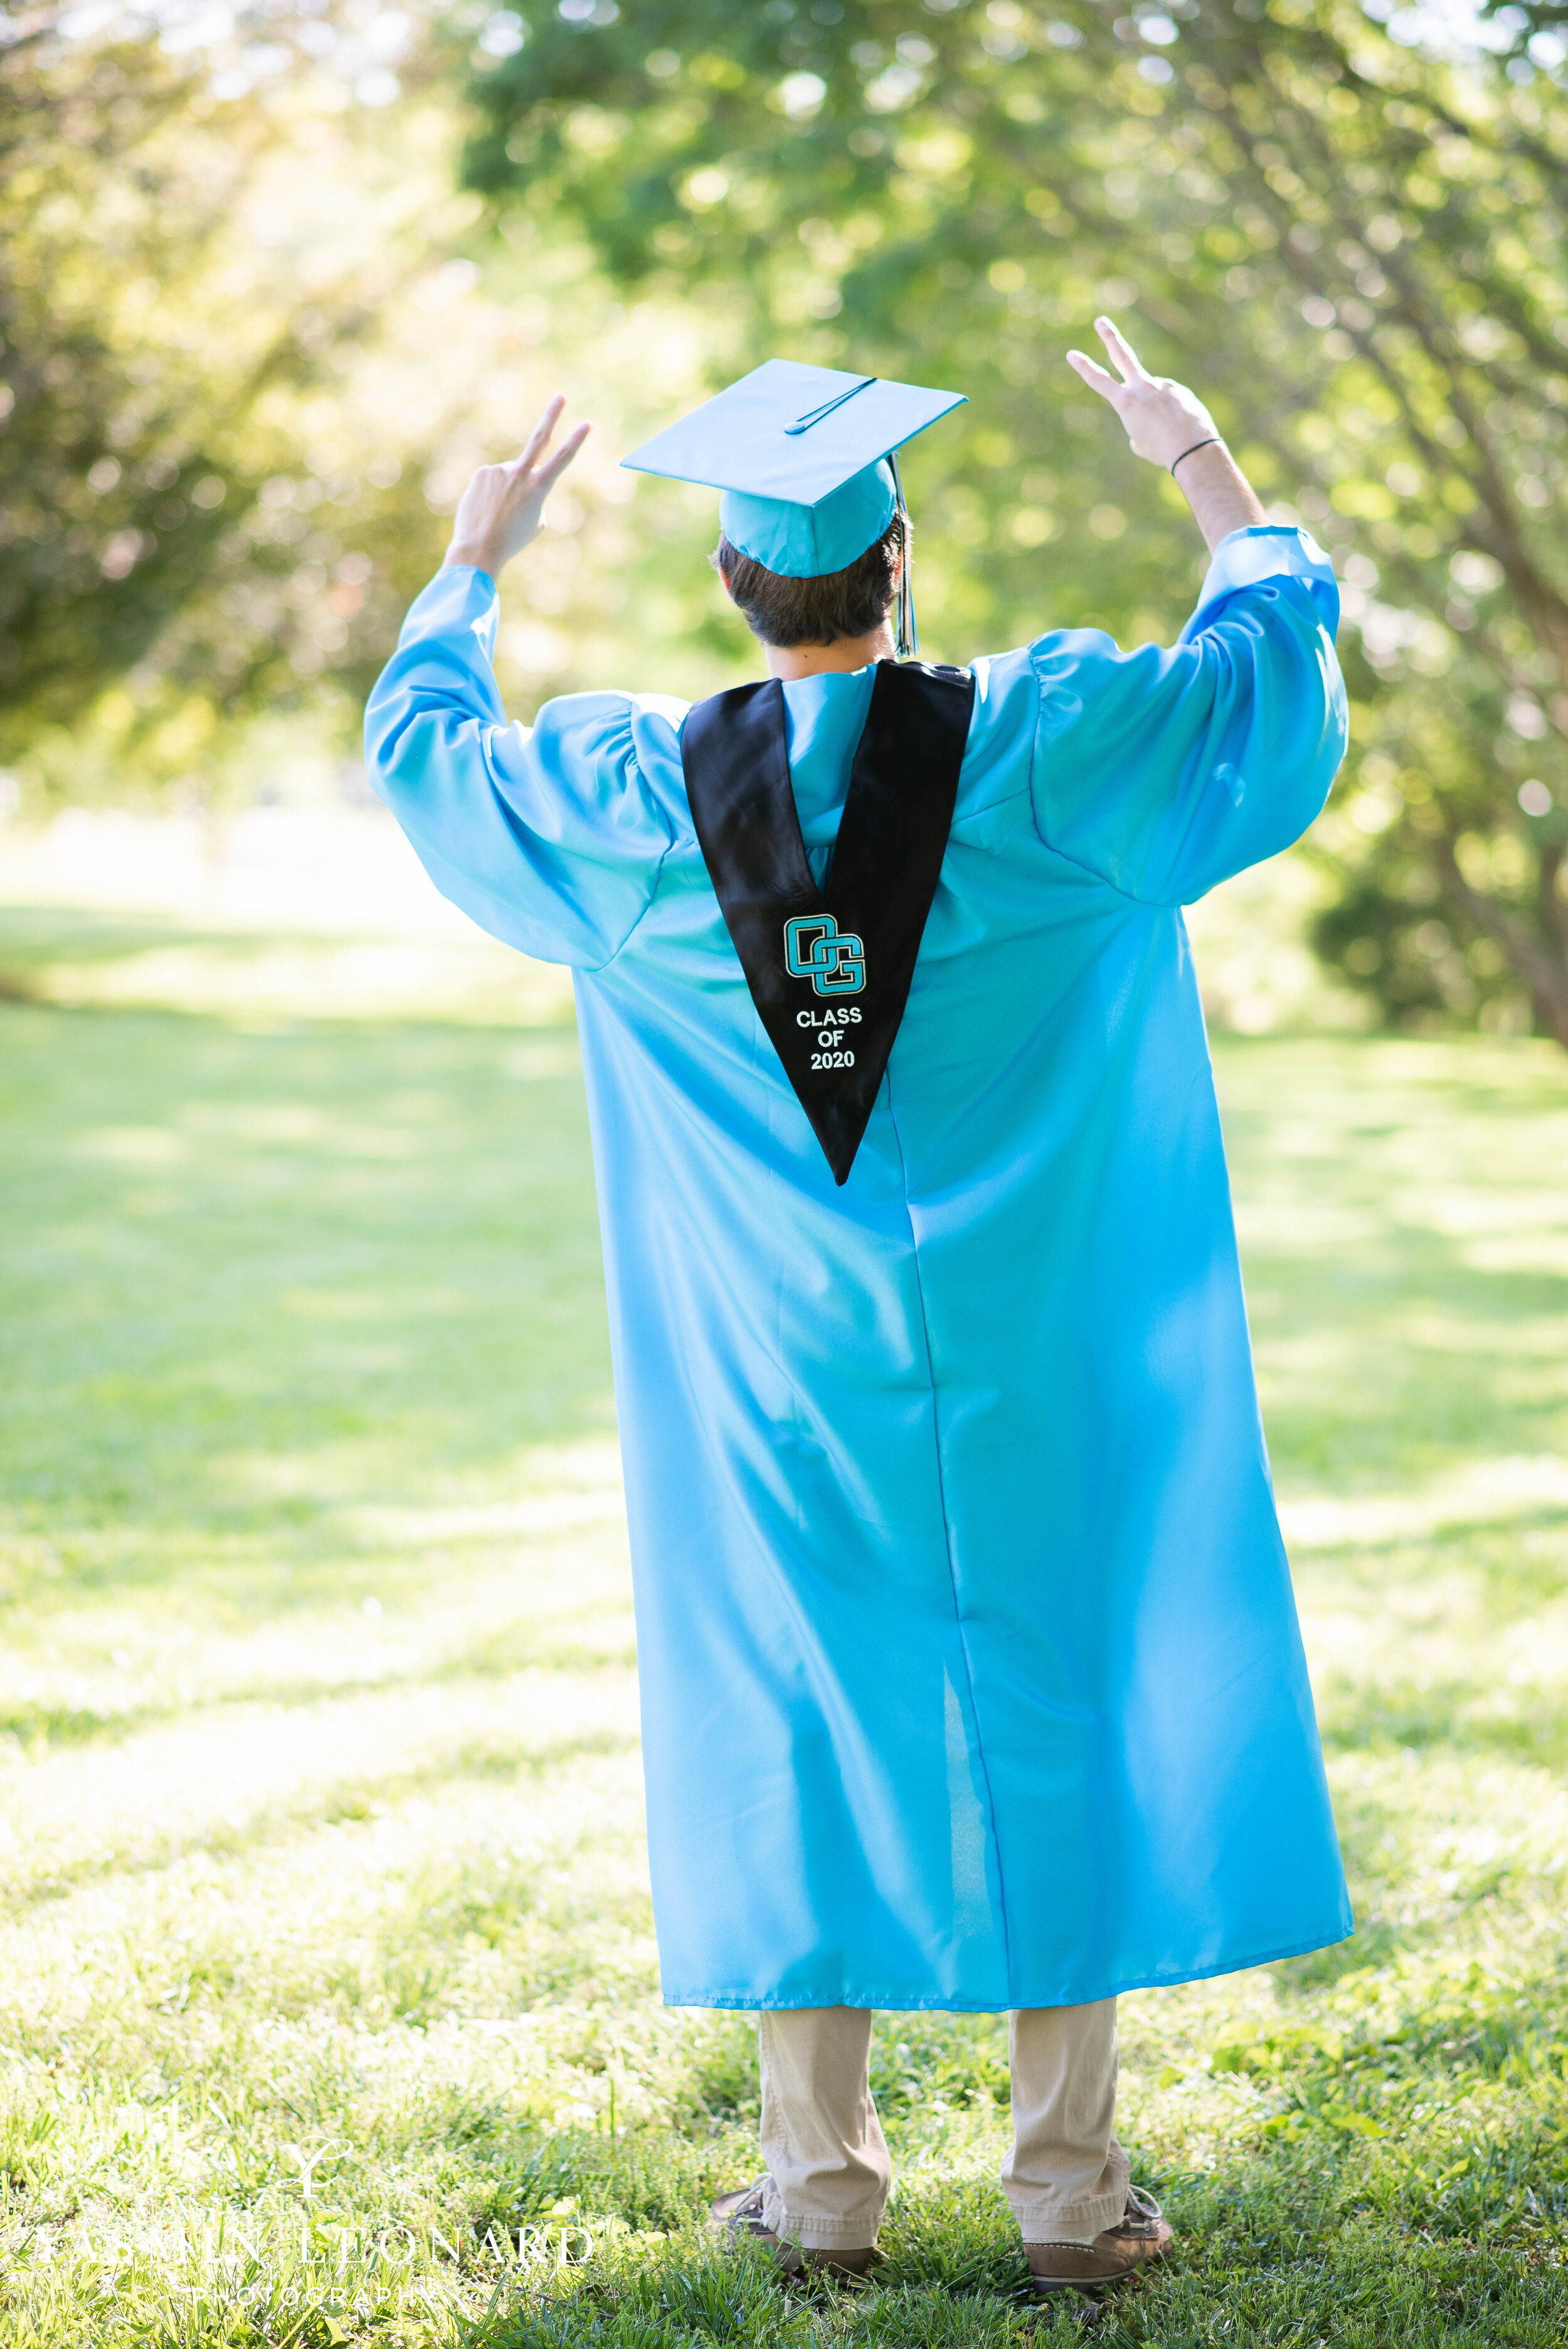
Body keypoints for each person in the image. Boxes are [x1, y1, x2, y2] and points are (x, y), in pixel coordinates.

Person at [364, 320, 1352, 2301]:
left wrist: (469, 565)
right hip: (1037, 1350)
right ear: (899, 559)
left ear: (735, 580)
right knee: (1049, 1690)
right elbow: (1269, 690)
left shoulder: (640, 802)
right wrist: (1204, 467)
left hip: (776, 1374)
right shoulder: (1053, 747)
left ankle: (821, 2189)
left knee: (798, 1711)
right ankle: (1067, 2191)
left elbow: (431, 758)